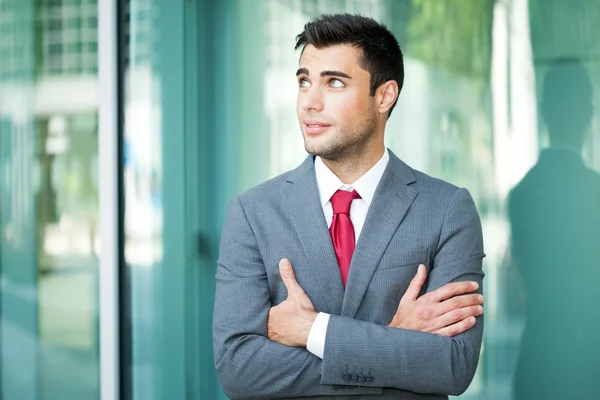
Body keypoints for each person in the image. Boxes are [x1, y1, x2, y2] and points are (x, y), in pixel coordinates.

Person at [213, 13, 485, 399]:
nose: (310, 101)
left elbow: (452, 366)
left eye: (334, 83)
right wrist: (395, 342)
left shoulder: (445, 210)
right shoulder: (252, 213)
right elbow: (238, 369)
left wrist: (313, 331)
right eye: (304, 81)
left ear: (384, 95)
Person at [508, 58, 600, 399]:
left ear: (544, 112)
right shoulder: (596, 193)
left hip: (538, 363)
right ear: (589, 116)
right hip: (589, 365)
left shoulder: (521, 195)